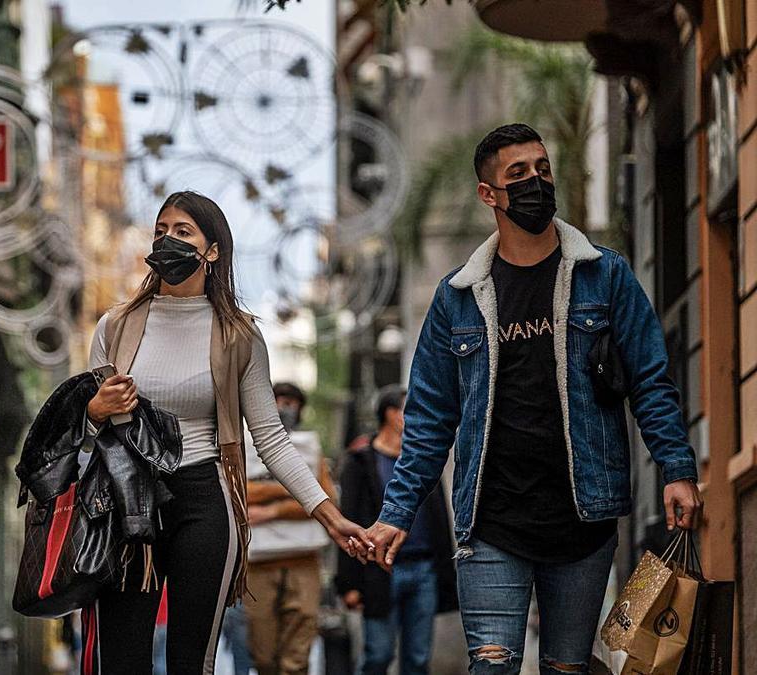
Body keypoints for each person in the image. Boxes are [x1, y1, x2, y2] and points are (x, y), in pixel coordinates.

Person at [361, 124, 703, 673]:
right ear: (488, 194)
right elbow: (428, 420)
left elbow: (650, 380)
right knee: (493, 666)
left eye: (542, 169)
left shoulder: (604, 275)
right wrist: (397, 512)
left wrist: (677, 468)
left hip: (583, 521)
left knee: (567, 668)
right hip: (492, 522)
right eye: (517, 174)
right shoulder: (458, 298)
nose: (535, 183)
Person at [82, 191, 369, 674]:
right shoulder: (116, 326)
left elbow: (272, 439)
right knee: (123, 660)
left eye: (182, 231)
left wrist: (330, 516)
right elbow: (85, 431)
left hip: (204, 500)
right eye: (161, 230)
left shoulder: (238, 335)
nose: (167, 239)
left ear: (212, 251)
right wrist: (94, 409)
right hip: (129, 503)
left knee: (192, 661)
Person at [335, 387, 457, 675]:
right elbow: (347, 520)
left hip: (424, 569)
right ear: (392, 415)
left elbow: (440, 516)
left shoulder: (421, 463)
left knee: (418, 658)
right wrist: (349, 584)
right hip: (381, 571)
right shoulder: (360, 462)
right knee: (378, 654)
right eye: (409, 409)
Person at [243, 382, 338, 675]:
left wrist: (271, 509)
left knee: (298, 653)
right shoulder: (243, 445)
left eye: (291, 402)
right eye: (278, 400)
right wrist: (296, 487)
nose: (285, 407)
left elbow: (326, 500)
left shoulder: (310, 445)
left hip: (303, 560)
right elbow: (239, 493)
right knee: (263, 655)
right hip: (257, 563)